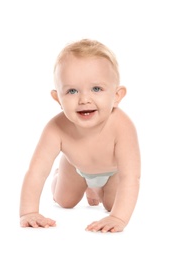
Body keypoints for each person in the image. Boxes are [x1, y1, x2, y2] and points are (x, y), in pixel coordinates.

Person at [20, 39, 141, 233]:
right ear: (58, 98)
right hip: (75, 167)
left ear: (117, 95)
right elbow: (36, 172)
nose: (84, 99)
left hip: (113, 173)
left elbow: (130, 177)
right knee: (64, 201)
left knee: (112, 206)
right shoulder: (56, 128)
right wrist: (28, 212)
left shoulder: (122, 127)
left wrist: (118, 218)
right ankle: (63, 173)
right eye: (72, 91)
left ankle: (97, 189)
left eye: (96, 89)